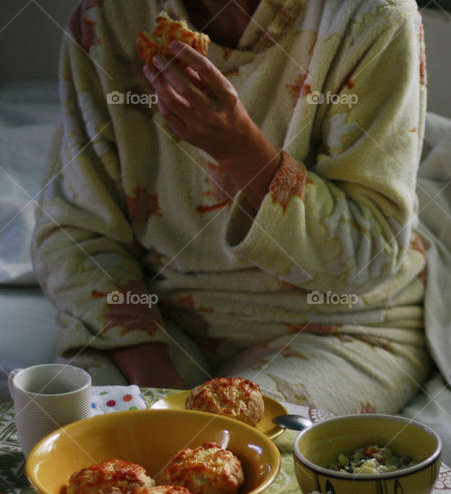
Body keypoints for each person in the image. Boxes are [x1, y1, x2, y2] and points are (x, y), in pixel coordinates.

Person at [33, 0, 430, 414]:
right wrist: (159, 390)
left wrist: (240, 149)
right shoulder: (109, 18)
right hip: (161, 319)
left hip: (339, 327)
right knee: (91, 443)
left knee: (253, 459)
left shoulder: (374, 17)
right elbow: (75, 233)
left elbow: (370, 255)